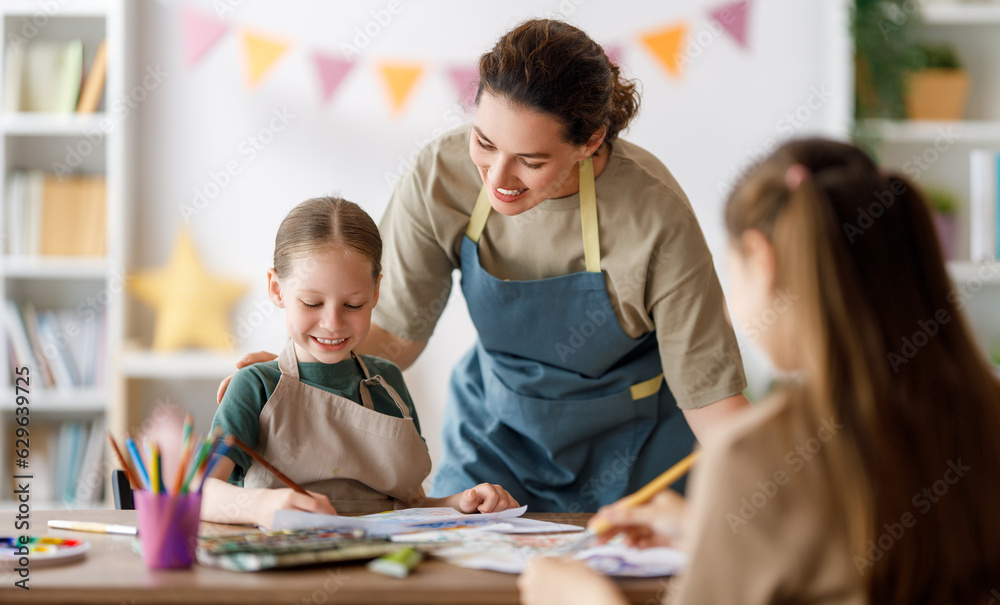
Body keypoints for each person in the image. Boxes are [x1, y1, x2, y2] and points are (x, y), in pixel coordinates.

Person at [221, 19, 749, 512]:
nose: (498, 176)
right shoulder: (441, 176)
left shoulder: (655, 217)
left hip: (635, 454)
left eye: (532, 160)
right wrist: (307, 370)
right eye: (484, 142)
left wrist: (783, 497)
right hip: (496, 437)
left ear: (589, 142)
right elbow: (396, 339)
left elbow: (711, 400)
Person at [518, 138, 1000, 604]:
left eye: (733, 269)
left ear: (762, 261)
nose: (729, 306)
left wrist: (583, 597)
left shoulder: (756, 453)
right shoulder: (980, 415)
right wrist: (712, 529)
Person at [202, 197, 518, 529]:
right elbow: (198, 492)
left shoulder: (388, 381)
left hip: (382, 566)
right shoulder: (255, 387)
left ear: (376, 292)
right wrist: (262, 505)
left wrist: (461, 504)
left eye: (353, 305)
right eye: (312, 302)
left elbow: (409, 505)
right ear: (276, 289)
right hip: (283, 571)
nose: (332, 323)